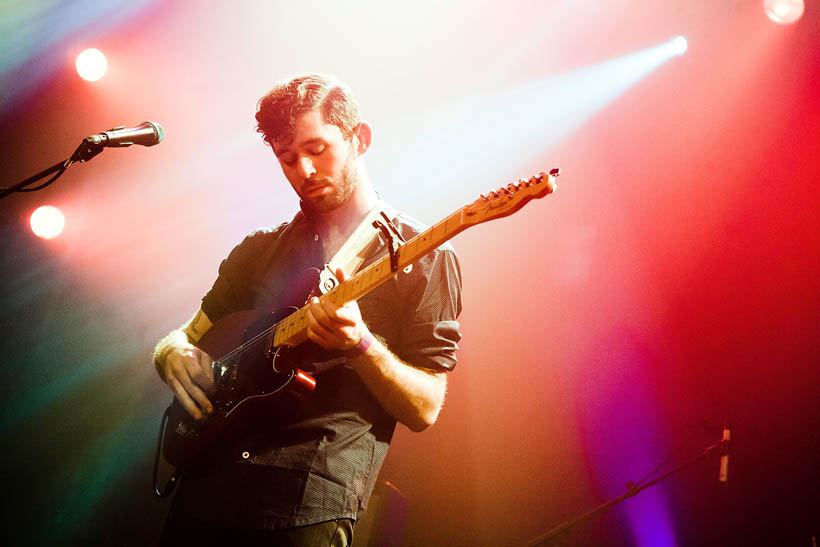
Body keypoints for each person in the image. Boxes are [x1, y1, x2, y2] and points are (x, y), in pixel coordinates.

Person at [153, 74, 462, 546]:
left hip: (304, 505)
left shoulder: (424, 256)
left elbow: (424, 407)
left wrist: (360, 344)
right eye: (287, 158)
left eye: (317, 149)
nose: (304, 170)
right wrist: (171, 354)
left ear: (360, 139)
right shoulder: (258, 250)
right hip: (206, 490)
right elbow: (184, 335)